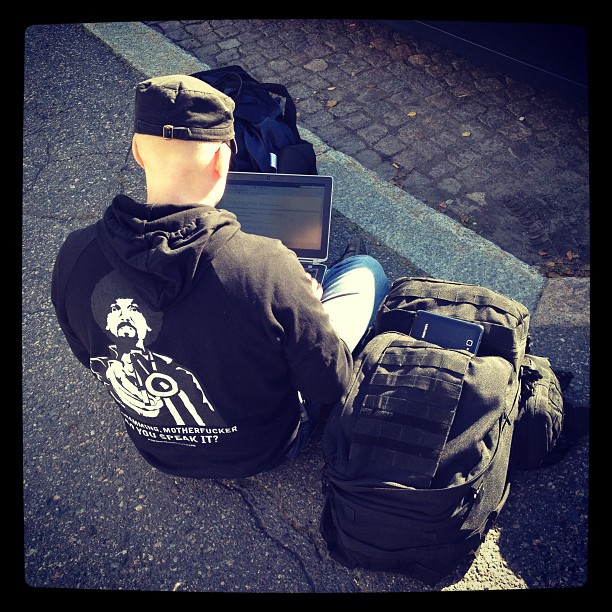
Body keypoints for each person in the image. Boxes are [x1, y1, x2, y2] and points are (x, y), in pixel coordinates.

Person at [51, 74, 390, 479]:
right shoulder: (268, 265)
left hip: (157, 450)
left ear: (138, 152)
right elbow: (331, 385)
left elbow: (93, 359)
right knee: (363, 271)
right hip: (266, 448)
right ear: (221, 160)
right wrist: (306, 307)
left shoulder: (75, 254)